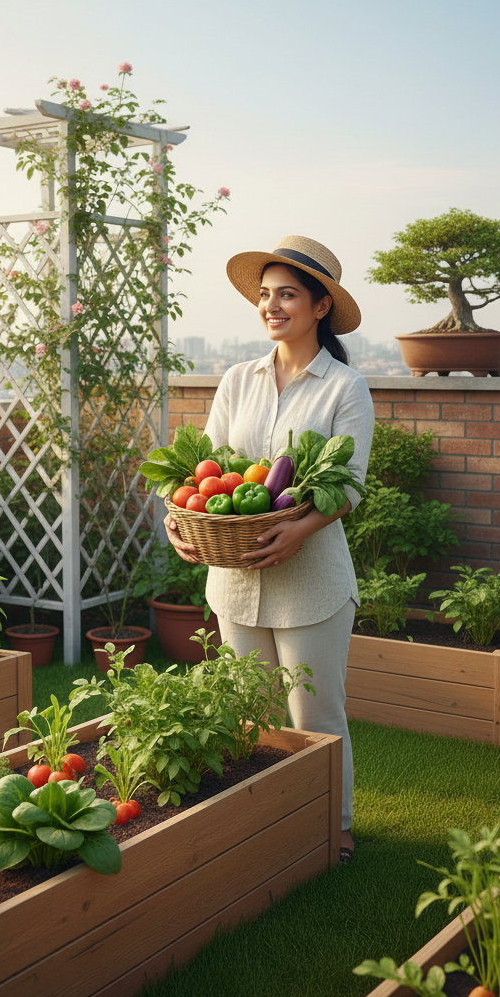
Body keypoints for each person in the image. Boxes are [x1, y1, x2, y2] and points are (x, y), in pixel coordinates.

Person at [165, 235, 374, 863]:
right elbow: (208, 467)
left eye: (286, 294)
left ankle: (333, 828)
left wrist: (301, 529)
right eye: (265, 295)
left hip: (312, 584)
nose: (272, 305)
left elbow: (349, 486)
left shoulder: (344, 387)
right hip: (234, 579)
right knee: (249, 715)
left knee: (315, 716)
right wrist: (180, 523)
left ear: (319, 307)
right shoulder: (237, 379)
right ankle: (265, 830)